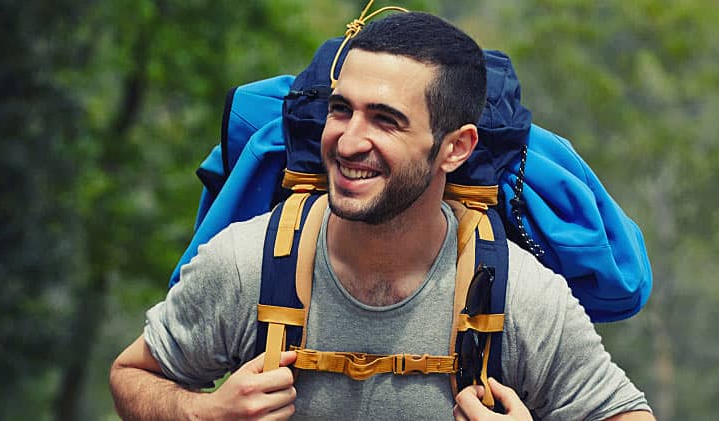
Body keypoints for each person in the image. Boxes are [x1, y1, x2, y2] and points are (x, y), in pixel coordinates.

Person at [110, 12, 655, 421]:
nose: (348, 141)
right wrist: (204, 414)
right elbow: (131, 375)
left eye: (385, 120)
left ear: (455, 148)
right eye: (341, 109)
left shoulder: (516, 295)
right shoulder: (248, 265)